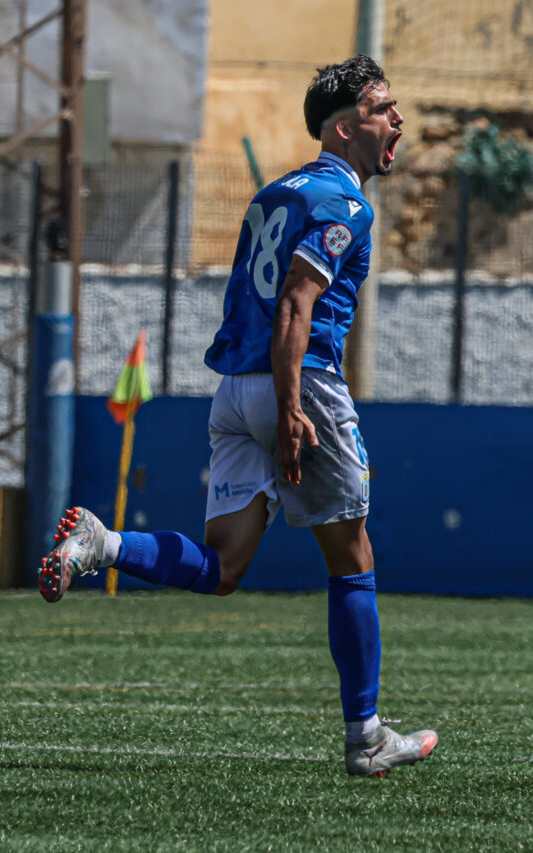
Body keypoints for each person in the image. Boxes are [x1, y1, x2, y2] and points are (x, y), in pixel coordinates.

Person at [37, 55, 438, 779]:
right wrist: (291, 409)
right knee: (352, 559)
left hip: (235, 390)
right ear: (344, 128)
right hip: (301, 384)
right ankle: (367, 735)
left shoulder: (276, 191)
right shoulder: (346, 205)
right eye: (383, 108)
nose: (397, 119)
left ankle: (103, 543)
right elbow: (294, 305)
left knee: (223, 567)